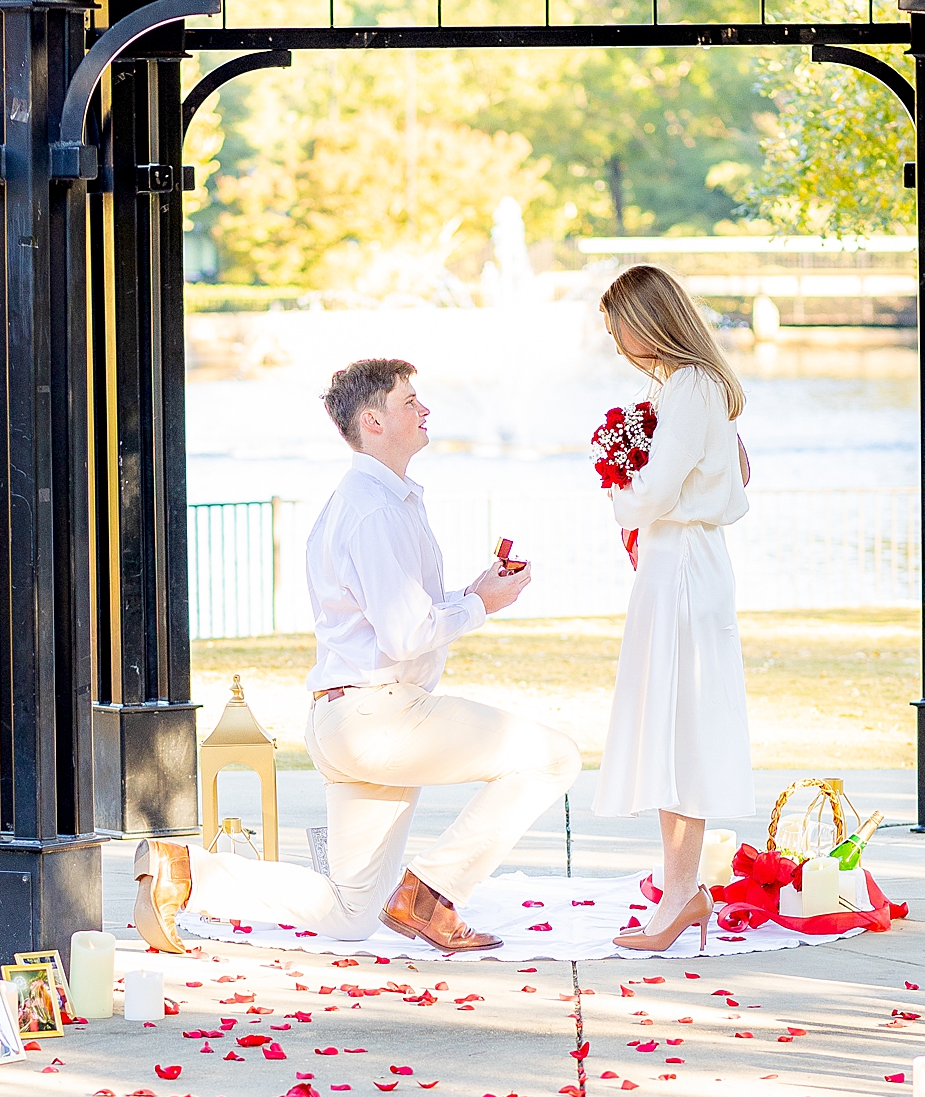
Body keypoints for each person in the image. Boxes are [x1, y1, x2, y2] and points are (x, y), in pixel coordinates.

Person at [133, 357, 580, 956]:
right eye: (409, 402)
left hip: (348, 719)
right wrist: (482, 606)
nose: (425, 410)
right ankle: (432, 896)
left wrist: (473, 593)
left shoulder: (377, 500)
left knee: (350, 913)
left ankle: (182, 872)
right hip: (381, 717)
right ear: (372, 420)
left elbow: (395, 613)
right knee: (553, 758)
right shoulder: (373, 509)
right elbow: (403, 635)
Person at [594, 265, 754, 951]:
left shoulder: (691, 387)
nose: (617, 339)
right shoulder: (696, 388)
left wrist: (617, 492)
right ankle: (680, 892)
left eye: (619, 325)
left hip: (682, 565)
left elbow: (657, 491)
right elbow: (739, 470)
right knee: (673, 732)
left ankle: (681, 896)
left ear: (648, 319)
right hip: (680, 563)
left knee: (680, 733)